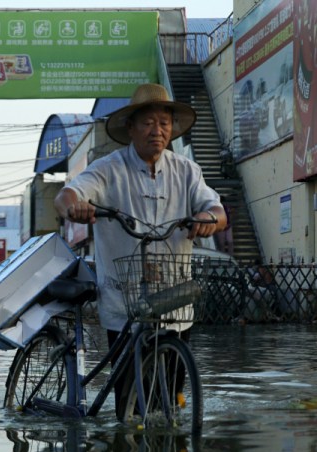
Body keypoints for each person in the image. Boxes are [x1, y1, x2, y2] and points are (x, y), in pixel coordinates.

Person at [54, 83, 227, 418]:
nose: (157, 130)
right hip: (125, 297)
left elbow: (216, 209)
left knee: (173, 400)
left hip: (173, 299)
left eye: (164, 123)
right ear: (131, 128)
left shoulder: (187, 170)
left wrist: (209, 218)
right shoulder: (108, 168)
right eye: (148, 123)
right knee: (129, 404)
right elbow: (67, 195)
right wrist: (74, 207)